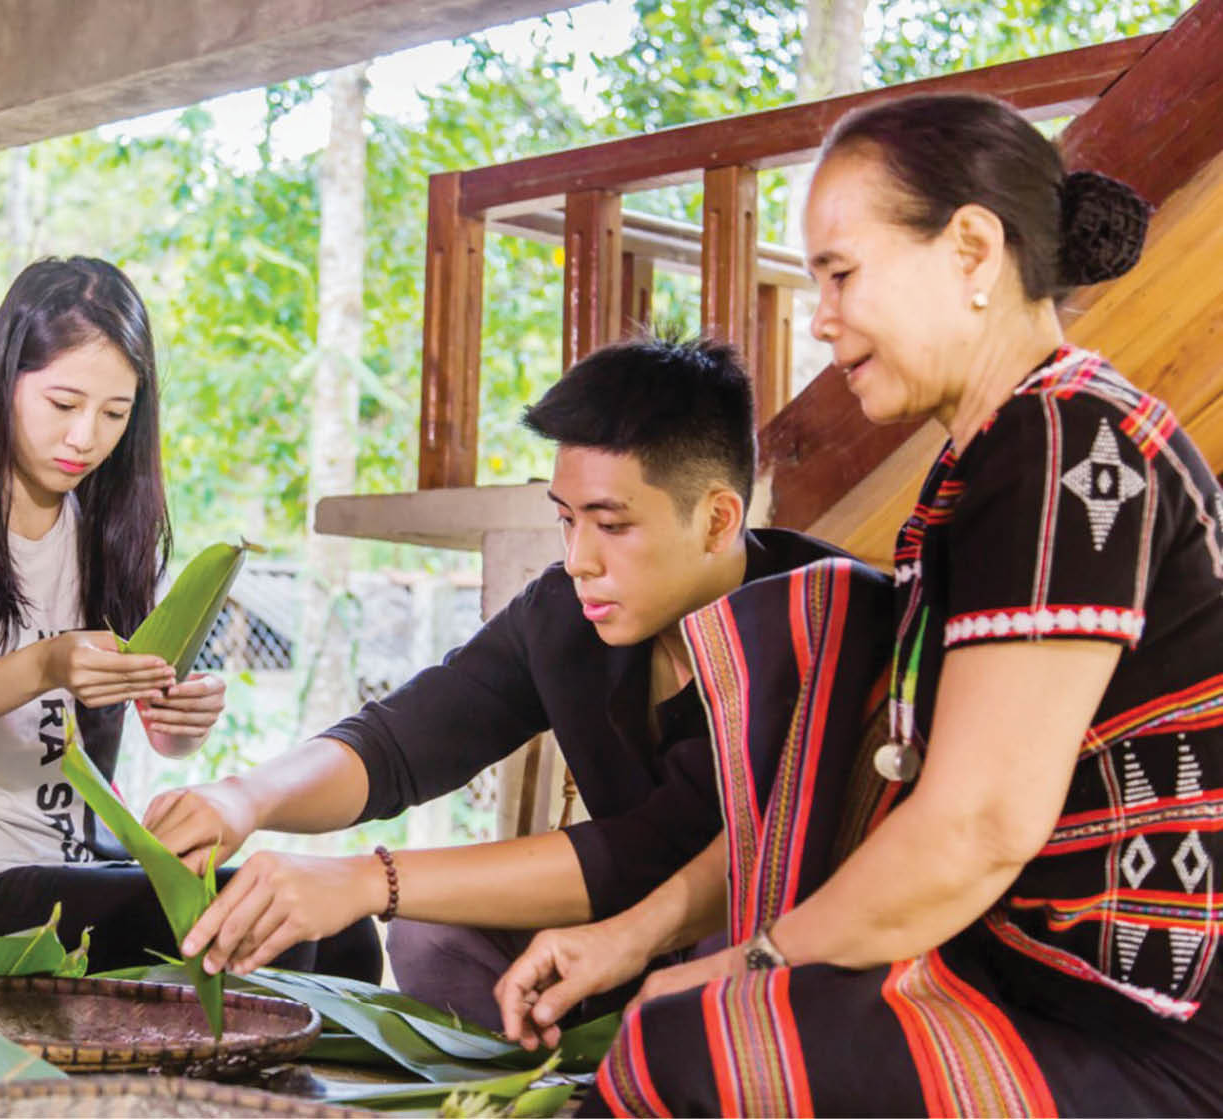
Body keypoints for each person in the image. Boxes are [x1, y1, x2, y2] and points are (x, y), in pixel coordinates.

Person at [495, 92, 1223, 1116]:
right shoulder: (995, 460)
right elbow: (851, 795)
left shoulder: (1065, 446)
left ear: (972, 251)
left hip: (1139, 1034)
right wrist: (630, 938)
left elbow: (975, 828)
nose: (821, 318)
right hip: (1022, 984)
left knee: (687, 1047)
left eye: (840, 274)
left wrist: (741, 968)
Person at [146, 335, 858, 1028]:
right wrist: (244, 797)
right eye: (566, 520)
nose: (579, 558)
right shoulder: (568, 613)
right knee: (430, 933)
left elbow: (657, 851)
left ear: (717, 520)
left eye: (612, 525)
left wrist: (367, 879)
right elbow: (403, 740)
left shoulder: (815, 621)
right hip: (615, 949)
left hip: (761, 963)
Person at [0, 256, 377, 980]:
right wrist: (42, 666)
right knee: (259, 934)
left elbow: (159, 733)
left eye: (114, 414)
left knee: (342, 931)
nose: (85, 437)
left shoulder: (107, 526)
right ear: (5, 379)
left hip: (84, 866)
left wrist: (180, 716)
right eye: (63, 403)